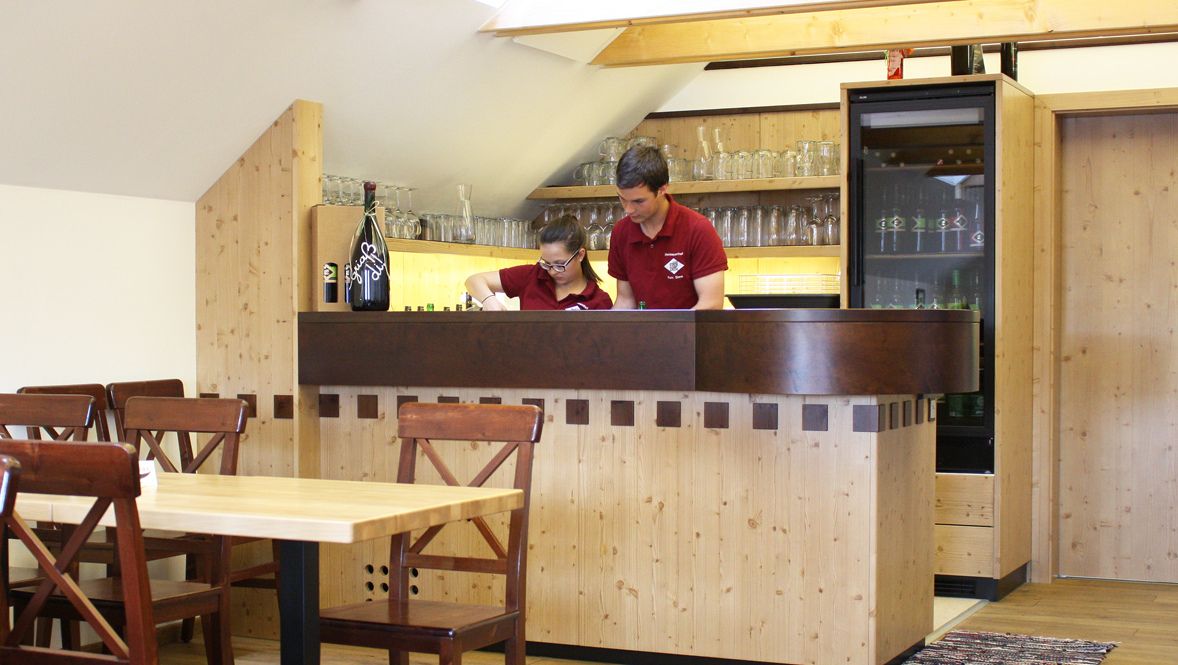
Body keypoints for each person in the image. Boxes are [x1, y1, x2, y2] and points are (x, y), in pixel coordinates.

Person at [608, 146, 727, 309]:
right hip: (644, 327)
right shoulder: (621, 232)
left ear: (662, 189)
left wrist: (672, 326)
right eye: (622, 199)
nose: (628, 209)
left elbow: (711, 304)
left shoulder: (698, 229)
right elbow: (626, 300)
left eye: (638, 201)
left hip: (688, 326)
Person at [465, 215, 612, 311]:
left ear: (580, 255)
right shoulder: (532, 275)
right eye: (546, 263)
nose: (552, 271)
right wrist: (488, 299)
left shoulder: (599, 301)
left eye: (560, 265)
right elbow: (474, 280)